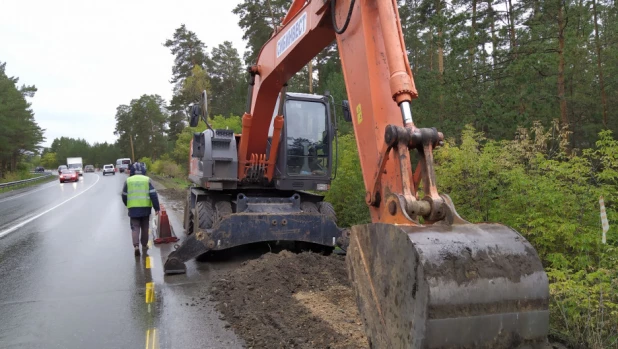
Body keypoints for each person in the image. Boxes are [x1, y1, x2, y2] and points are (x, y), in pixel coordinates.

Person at [121, 163, 160, 256]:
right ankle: (144, 244)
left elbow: (124, 195)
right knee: (145, 227)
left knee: (135, 227)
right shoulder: (147, 180)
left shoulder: (128, 181)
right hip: (145, 208)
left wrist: (128, 204)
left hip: (133, 208)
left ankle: (136, 246)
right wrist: (156, 208)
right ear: (143, 171)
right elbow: (153, 195)